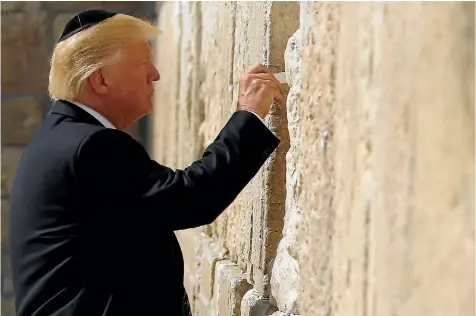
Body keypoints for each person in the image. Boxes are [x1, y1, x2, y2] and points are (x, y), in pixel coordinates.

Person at [8, 9, 284, 316]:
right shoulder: (91, 146)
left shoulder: (58, 138)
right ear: (101, 79)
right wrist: (249, 116)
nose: (155, 74)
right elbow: (191, 197)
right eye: (142, 62)